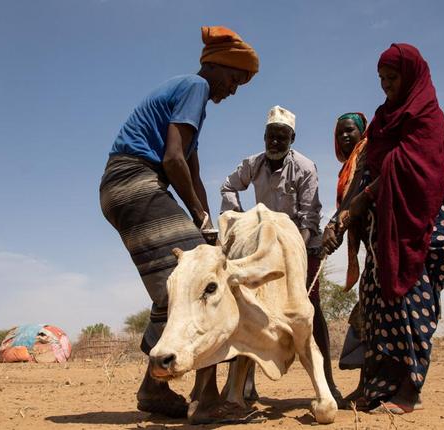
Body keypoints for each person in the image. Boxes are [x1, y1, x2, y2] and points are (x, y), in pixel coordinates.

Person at [99, 26, 259, 418]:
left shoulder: (193, 105)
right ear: (217, 67)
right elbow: (172, 159)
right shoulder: (195, 88)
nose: (233, 90)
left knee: (176, 286)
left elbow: (191, 171)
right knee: (197, 278)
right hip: (134, 180)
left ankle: (156, 388)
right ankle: (203, 399)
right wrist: (202, 220)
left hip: (128, 185)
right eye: (235, 79)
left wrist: (208, 228)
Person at [321, 43, 444, 414]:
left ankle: (408, 391)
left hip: (420, 226)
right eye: (381, 79)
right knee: (375, 304)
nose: (385, 85)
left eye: (392, 78)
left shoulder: (428, 117)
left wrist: (362, 201)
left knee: (408, 305)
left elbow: (408, 168)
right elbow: (370, 169)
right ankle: (372, 387)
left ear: (411, 76)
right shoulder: (383, 119)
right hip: (384, 232)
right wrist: (344, 217)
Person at [220, 105, 344, 406]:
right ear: (264, 136)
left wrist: (291, 254)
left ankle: (327, 384)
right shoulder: (253, 164)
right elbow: (229, 186)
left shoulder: (304, 167)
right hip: (260, 247)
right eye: (271, 137)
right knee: (250, 311)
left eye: (282, 138)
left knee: (307, 310)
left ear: (292, 139)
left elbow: (308, 218)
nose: (275, 143)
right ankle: (245, 387)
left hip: (301, 248)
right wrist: (238, 219)